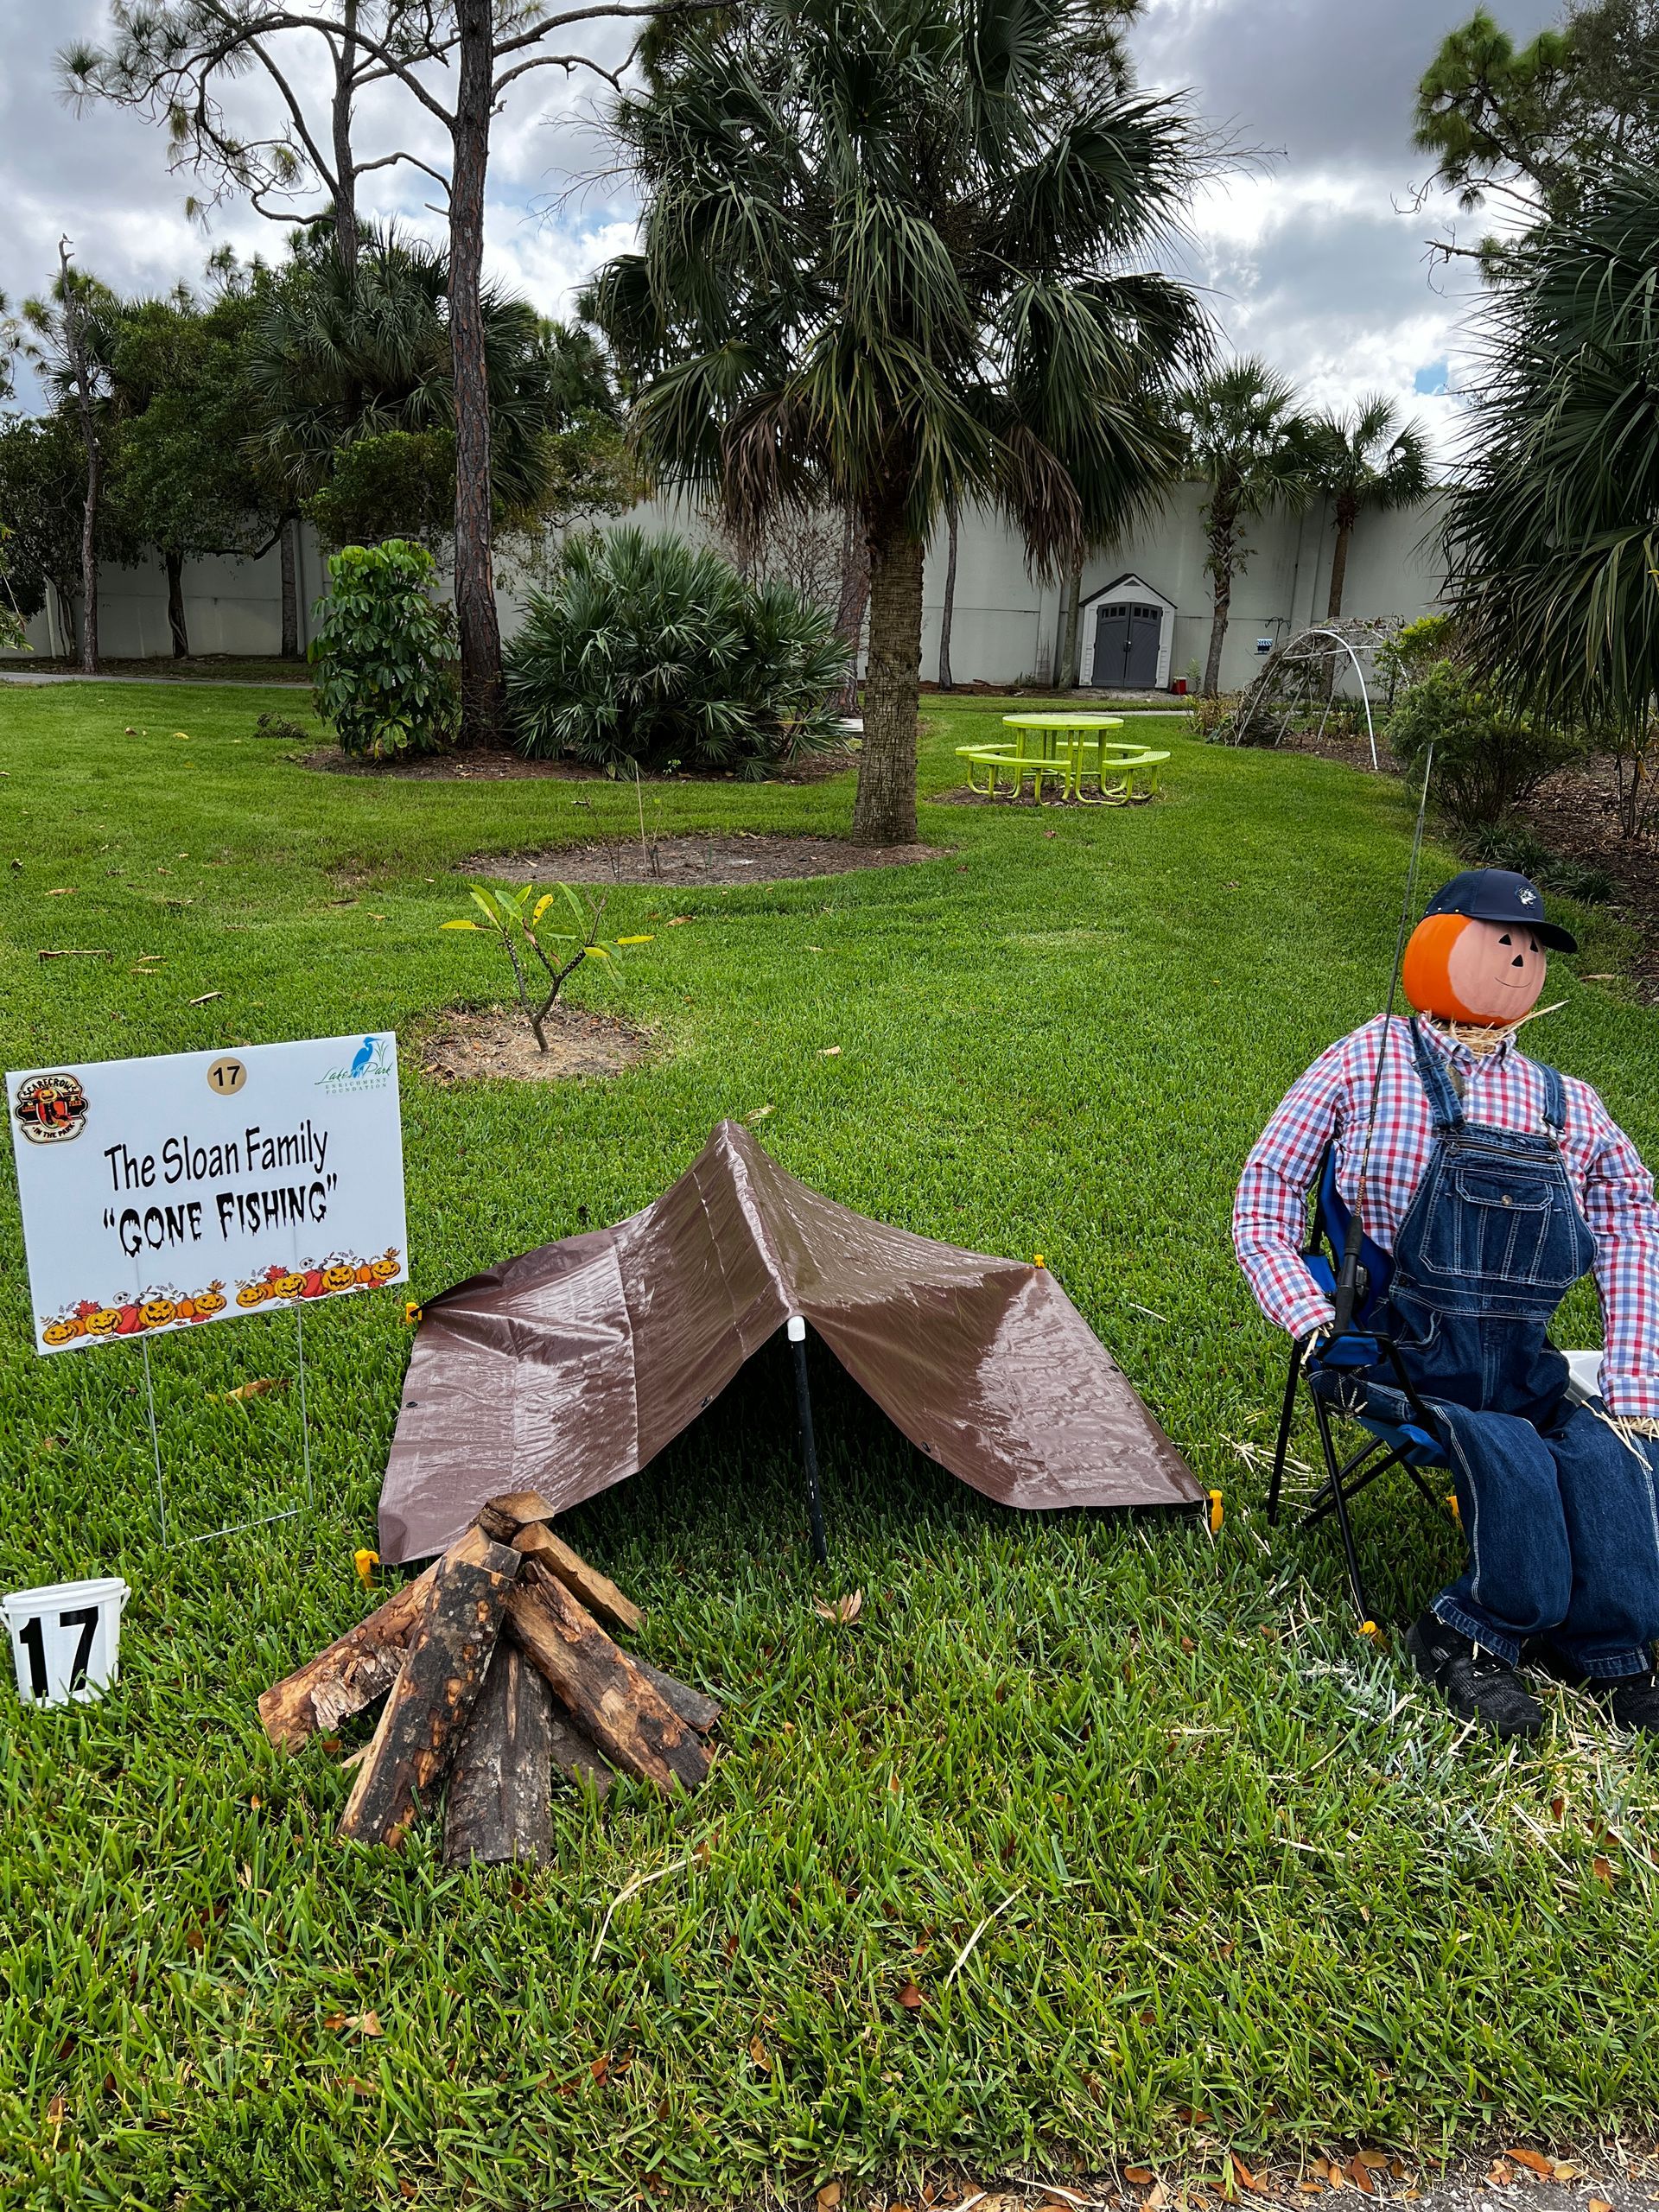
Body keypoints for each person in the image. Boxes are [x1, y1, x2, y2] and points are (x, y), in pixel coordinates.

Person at [1234, 868, 1659, 1739]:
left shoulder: (1565, 1105)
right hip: (1396, 1354)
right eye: (1500, 939)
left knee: (1612, 1459)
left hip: (1522, 1360)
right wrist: (1313, 1318)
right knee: (1514, 1460)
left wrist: (1634, 1370)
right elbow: (1266, 1190)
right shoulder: (1370, 1057)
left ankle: (1615, 1651)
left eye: (1533, 948)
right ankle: (1468, 1635)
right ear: (1436, 943)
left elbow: (1633, 1220)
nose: (1519, 960)